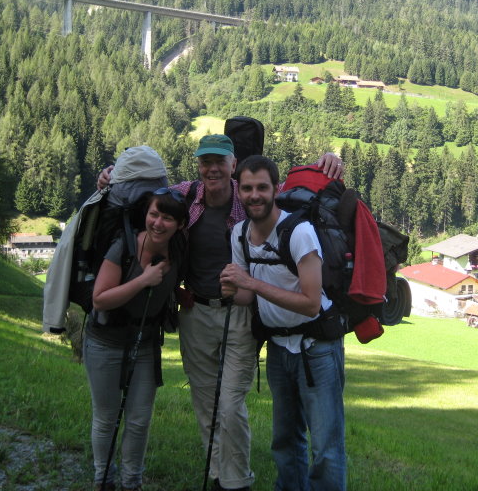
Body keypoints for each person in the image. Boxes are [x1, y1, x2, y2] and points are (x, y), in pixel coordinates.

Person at [97, 135, 342, 491]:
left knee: (228, 406)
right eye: (205, 161)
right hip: (195, 313)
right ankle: (220, 478)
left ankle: (237, 479)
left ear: (232, 165)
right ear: (198, 165)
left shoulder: (248, 198)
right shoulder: (186, 194)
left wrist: (329, 160)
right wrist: (111, 176)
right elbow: (148, 197)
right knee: (206, 406)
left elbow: (284, 189)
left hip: (239, 315)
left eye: (219, 162)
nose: (211, 169)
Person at [220, 155, 347, 491]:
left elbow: (309, 303)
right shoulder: (239, 234)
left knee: (326, 449)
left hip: (318, 347)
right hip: (278, 347)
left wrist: (252, 285)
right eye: (247, 188)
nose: (254, 195)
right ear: (240, 192)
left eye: (262, 187)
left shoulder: (300, 232)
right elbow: (247, 297)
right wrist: (233, 290)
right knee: (285, 441)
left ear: (277, 189)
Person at [83, 189, 188, 491]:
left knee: (139, 420)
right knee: (106, 417)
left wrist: (178, 293)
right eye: (154, 214)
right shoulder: (124, 246)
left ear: (180, 225)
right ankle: (104, 480)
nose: (158, 223)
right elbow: (100, 299)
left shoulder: (178, 249)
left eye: (168, 218)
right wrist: (143, 279)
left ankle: (132, 483)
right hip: (104, 341)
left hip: (145, 344)